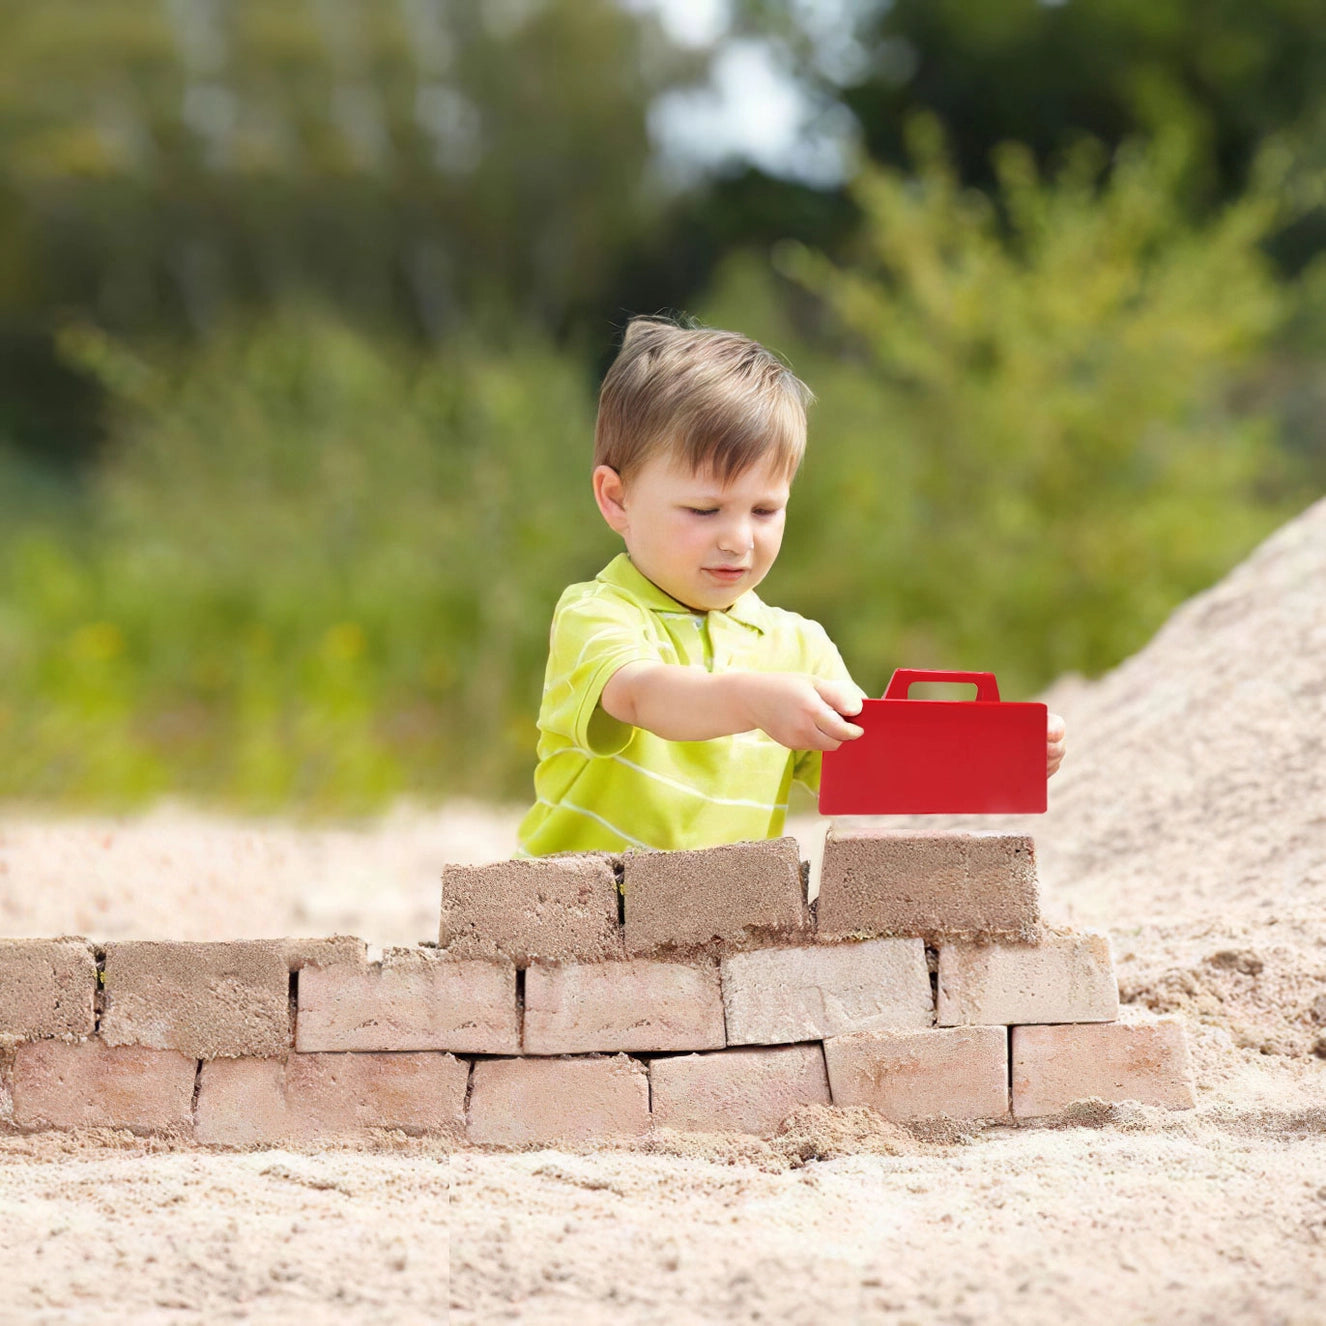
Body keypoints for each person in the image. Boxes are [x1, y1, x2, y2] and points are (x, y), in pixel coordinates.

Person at [514, 315, 1067, 857]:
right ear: (616, 499)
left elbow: (869, 774)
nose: (737, 539)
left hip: (724, 925)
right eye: (704, 510)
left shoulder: (798, 647)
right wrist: (755, 698)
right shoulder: (598, 612)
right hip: (579, 914)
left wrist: (991, 756)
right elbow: (641, 695)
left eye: (764, 509)